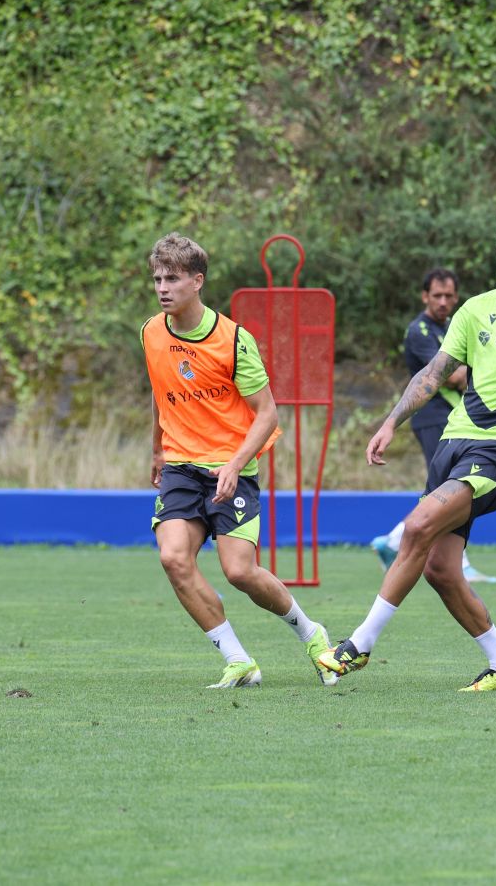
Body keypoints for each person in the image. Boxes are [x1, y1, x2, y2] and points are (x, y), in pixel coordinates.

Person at [317, 202, 496, 691]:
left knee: (417, 525)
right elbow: (434, 373)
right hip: (452, 445)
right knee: (442, 569)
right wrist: (391, 422)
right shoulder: (477, 308)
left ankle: (358, 646)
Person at [142, 232, 338, 689]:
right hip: (180, 466)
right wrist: (156, 448)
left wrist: (233, 465)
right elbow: (160, 390)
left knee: (239, 572)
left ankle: (311, 634)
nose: (162, 288)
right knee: (173, 558)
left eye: (172, 279)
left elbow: (267, 414)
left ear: (197, 281)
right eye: (157, 279)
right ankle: (237, 660)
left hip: (231, 468)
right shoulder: (151, 331)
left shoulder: (233, 340)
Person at [370, 267, 496, 585]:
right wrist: (486, 371)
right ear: (424, 296)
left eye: (448, 296)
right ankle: (458, 562)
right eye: (437, 295)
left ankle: (392, 540)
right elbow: (452, 376)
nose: (443, 301)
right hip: (431, 418)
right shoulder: (420, 331)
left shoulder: (452, 326)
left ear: (456, 297)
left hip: (454, 418)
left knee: (446, 488)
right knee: (452, 488)